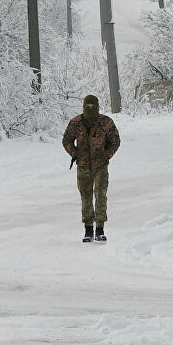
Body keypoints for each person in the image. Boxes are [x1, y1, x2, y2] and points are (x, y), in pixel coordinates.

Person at [61, 94, 121, 243]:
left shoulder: (106, 122)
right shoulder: (76, 123)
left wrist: (106, 155)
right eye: (87, 107)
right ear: (83, 107)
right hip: (83, 167)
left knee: (101, 196)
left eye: (93, 107)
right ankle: (88, 229)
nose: (90, 109)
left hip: (100, 166)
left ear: (97, 107)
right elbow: (66, 140)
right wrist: (75, 154)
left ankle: (100, 229)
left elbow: (115, 141)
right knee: (86, 197)